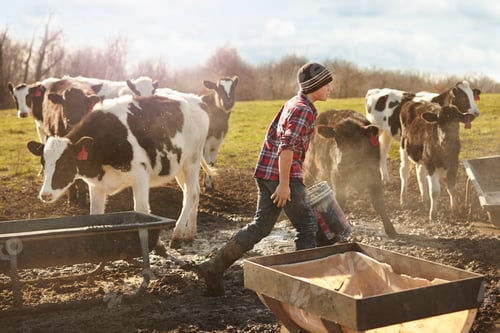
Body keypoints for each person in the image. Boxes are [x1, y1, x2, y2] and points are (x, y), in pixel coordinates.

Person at [197, 62, 334, 296]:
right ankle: (303, 286)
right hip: (281, 176)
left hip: (267, 172)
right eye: (326, 83)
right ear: (315, 85)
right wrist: (283, 184)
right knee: (307, 227)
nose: (331, 87)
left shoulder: (294, 102)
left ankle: (214, 267)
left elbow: (282, 141)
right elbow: (286, 146)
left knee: (261, 226)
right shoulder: (303, 109)